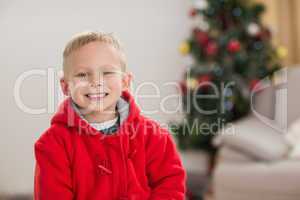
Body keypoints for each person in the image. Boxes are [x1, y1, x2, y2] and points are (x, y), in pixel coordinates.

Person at [34, 31, 186, 200]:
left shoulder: (153, 136)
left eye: (107, 72)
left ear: (125, 82)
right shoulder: (52, 144)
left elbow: (170, 184)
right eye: (82, 74)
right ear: (65, 86)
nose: (96, 81)